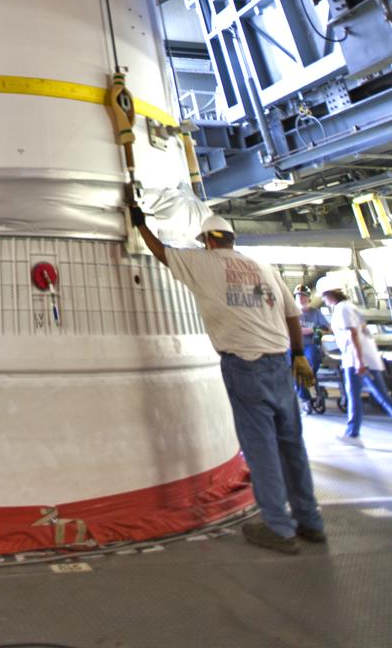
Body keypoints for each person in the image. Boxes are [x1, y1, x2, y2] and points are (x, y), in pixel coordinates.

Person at [132, 206, 325, 554]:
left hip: (244, 366)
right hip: (280, 364)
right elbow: (292, 315)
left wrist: (139, 223)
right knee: (292, 443)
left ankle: (279, 529)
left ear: (207, 241)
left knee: (261, 449)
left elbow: (161, 253)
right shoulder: (264, 267)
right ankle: (310, 521)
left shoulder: (205, 263)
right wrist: (298, 355)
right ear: (232, 239)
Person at [317, 277, 392, 445]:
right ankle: (352, 433)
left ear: (330, 294)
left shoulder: (343, 308)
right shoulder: (346, 307)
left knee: (380, 397)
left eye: (324, 296)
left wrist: (359, 360)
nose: (323, 299)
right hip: (355, 358)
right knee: (354, 395)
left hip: (359, 359)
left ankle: (352, 433)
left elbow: (353, 333)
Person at [293, 285, 326, 414]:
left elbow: (327, 328)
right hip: (294, 346)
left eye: (303, 296)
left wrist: (314, 330)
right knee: (300, 369)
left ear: (308, 298)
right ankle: (307, 399)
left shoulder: (315, 313)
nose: (300, 298)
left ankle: (310, 390)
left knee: (312, 361)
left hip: (310, 345)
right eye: (298, 296)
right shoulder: (290, 312)